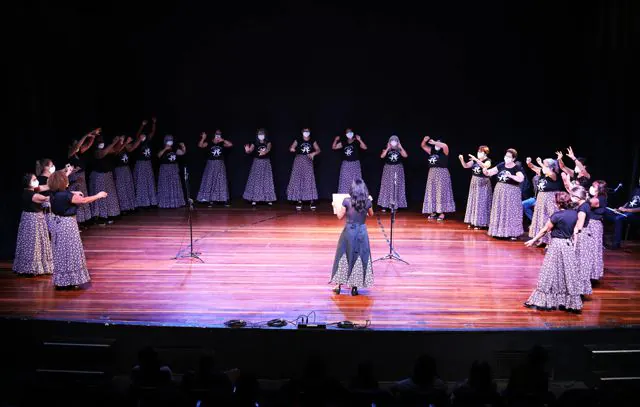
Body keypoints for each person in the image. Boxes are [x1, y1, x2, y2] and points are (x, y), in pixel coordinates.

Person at [524, 191, 583, 312]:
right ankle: (568, 303)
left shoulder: (557, 216)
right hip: (567, 244)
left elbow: (544, 230)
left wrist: (533, 240)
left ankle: (541, 301)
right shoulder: (574, 214)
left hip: (556, 245)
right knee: (567, 274)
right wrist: (574, 245)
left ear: (558, 203)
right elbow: (576, 231)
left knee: (549, 272)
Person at [48, 170, 107, 289]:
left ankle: (62, 280)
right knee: (71, 251)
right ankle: (71, 280)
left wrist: (73, 192)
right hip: (67, 225)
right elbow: (83, 200)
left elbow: (65, 195)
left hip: (57, 224)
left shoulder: (53, 194)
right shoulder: (66, 196)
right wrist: (98, 195)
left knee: (61, 252)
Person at [330, 178, 374, 296]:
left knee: (343, 255)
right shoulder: (367, 202)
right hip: (361, 232)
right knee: (359, 256)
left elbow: (339, 216)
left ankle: (338, 285)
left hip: (349, 231)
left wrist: (335, 205)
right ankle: (355, 287)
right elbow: (371, 214)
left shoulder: (346, 201)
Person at [12, 173, 53, 276]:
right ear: (29, 183)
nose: (37, 181)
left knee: (39, 241)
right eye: (34, 180)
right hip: (32, 220)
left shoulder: (32, 190)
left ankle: (39, 266)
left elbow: (46, 186)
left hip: (36, 219)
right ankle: (30, 268)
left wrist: (59, 181)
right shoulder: (30, 194)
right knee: (33, 243)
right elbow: (46, 198)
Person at [484, 149, 525, 240]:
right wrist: (485, 171)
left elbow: (521, 179)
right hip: (500, 191)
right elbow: (490, 172)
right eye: (506, 156)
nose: (506, 158)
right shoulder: (501, 165)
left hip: (512, 191)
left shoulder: (516, 167)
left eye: (509, 157)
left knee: (511, 211)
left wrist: (510, 176)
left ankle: (512, 233)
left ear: (513, 158)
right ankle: (498, 232)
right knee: (500, 210)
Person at [528, 157, 563, 246]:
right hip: (541, 198)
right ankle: (542, 240)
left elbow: (548, 172)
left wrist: (541, 164)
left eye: (545, 165)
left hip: (550, 198)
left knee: (549, 217)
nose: (543, 166)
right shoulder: (543, 173)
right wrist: (529, 162)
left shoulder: (554, 174)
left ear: (551, 167)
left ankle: (550, 241)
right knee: (541, 218)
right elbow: (531, 167)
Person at [421, 135, 455, 221]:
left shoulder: (444, 151)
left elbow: (445, 146)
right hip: (432, 173)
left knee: (441, 192)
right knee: (432, 192)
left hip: (442, 173)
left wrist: (435, 142)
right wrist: (424, 141)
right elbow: (423, 146)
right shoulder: (432, 151)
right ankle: (433, 211)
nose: (437, 144)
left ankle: (441, 212)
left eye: (439, 142)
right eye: (437, 142)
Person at [67, 129, 97, 225]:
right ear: (71, 145)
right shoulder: (70, 153)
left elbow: (87, 145)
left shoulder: (78, 154)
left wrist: (93, 136)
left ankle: (84, 220)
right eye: (75, 144)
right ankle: (77, 221)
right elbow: (78, 146)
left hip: (81, 176)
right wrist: (86, 135)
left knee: (83, 196)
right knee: (76, 198)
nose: (78, 146)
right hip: (74, 177)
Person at [458, 145, 492, 229]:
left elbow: (485, 166)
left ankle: (481, 223)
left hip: (483, 183)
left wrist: (476, 159)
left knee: (481, 202)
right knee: (474, 201)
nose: (479, 153)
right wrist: (461, 159)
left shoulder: (488, 160)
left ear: (485, 153)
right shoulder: (474, 161)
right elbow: (465, 166)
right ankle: (473, 221)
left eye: (481, 152)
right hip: (474, 182)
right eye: (478, 151)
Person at [90, 134, 121, 224]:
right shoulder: (95, 150)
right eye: (99, 140)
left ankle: (110, 214)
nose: (101, 141)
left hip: (108, 174)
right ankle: (101, 217)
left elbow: (116, 150)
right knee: (101, 196)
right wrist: (113, 142)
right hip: (99, 175)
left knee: (109, 196)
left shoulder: (106, 147)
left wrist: (118, 141)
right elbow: (102, 154)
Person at [286, 127, 320, 210]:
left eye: (307, 131)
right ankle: (299, 200)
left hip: (308, 160)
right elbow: (291, 147)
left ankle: (311, 200)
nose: (306, 132)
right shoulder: (298, 140)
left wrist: (314, 153)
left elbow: (318, 150)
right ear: (302, 132)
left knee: (309, 179)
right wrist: (292, 149)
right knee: (298, 179)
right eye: (305, 131)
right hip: (299, 160)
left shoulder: (312, 140)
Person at [197, 130, 233, 207]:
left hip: (220, 164)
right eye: (217, 134)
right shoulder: (209, 143)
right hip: (211, 164)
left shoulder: (222, 144)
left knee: (221, 181)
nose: (218, 136)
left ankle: (224, 200)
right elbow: (200, 145)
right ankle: (210, 200)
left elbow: (230, 145)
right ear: (214, 135)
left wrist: (223, 140)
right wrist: (203, 138)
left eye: (219, 134)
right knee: (210, 180)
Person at [243, 128, 276, 206]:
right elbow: (250, 150)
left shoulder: (268, 142)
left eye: (262, 134)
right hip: (257, 162)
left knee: (267, 180)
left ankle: (268, 199)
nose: (261, 135)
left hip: (266, 163)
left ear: (265, 135)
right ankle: (255, 198)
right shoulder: (255, 143)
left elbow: (268, 148)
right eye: (259, 134)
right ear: (257, 135)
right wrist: (247, 150)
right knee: (256, 180)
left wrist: (264, 152)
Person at [605, 176, 640, 249]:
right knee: (606, 212)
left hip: (636, 215)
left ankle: (616, 244)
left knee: (618, 218)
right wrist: (620, 209)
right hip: (627, 212)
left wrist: (627, 210)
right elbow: (629, 202)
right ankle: (605, 240)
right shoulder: (636, 190)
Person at [573, 186, 594, 295]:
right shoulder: (585, 204)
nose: (571, 198)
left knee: (580, 263)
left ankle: (579, 289)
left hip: (581, 236)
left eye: (573, 196)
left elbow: (579, 226)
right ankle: (580, 289)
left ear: (577, 197)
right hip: (585, 235)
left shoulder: (582, 208)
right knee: (581, 262)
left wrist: (574, 243)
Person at [378, 135, 408, 212]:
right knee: (387, 186)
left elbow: (405, 156)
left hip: (398, 169)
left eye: (395, 140)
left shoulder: (399, 149)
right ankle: (385, 205)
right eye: (392, 140)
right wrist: (388, 148)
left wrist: (400, 147)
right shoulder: (386, 149)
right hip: (388, 169)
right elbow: (382, 156)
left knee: (396, 186)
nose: (393, 142)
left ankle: (395, 206)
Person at [332, 128, 368, 193]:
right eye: (348, 133)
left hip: (355, 164)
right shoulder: (344, 142)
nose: (349, 134)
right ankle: (344, 197)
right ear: (346, 134)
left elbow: (365, 147)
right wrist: (335, 140)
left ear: (353, 133)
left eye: (350, 132)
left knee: (356, 181)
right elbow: (334, 147)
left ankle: (357, 197)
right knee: (345, 181)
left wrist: (360, 140)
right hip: (346, 164)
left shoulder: (356, 141)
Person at [133, 118, 158, 209]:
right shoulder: (138, 142)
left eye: (144, 135)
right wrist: (142, 125)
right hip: (140, 163)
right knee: (141, 182)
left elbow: (153, 132)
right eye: (141, 136)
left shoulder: (148, 140)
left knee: (149, 182)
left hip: (148, 163)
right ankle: (142, 202)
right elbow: (137, 135)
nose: (143, 137)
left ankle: (151, 201)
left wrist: (154, 123)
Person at [157, 135, 186, 208]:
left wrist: (183, 147)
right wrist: (165, 149)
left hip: (173, 168)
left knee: (174, 185)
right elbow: (158, 156)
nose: (170, 142)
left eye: (171, 140)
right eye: (169, 140)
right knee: (166, 185)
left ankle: (175, 202)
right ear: (165, 141)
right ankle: (165, 203)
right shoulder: (161, 148)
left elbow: (182, 153)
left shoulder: (174, 149)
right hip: (165, 169)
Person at [113, 135, 140, 214]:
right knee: (121, 188)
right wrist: (125, 143)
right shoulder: (114, 147)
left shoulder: (125, 146)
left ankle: (131, 206)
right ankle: (123, 208)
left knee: (128, 187)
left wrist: (139, 140)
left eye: (122, 138)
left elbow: (132, 148)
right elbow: (117, 151)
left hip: (126, 168)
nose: (122, 140)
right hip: (119, 169)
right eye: (120, 139)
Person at [587, 180, 607, 280]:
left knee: (593, 248)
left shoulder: (600, 198)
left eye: (593, 186)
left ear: (599, 189)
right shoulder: (595, 197)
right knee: (587, 247)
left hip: (594, 225)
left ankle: (593, 273)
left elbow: (588, 204)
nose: (591, 187)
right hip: (589, 224)